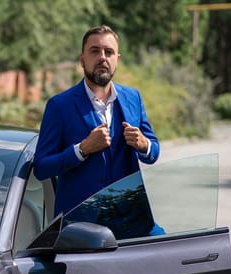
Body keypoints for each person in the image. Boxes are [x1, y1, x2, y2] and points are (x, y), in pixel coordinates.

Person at [33, 25, 160, 218]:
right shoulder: (59, 106)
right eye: (95, 51)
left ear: (117, 60)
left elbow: (154, 151)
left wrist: (144, 145)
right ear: (82, 58)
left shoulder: (133, 97)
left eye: (109, 52)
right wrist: (82, 149)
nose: (102, 57)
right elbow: (41, 168)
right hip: (80, 226)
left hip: (131, 221)